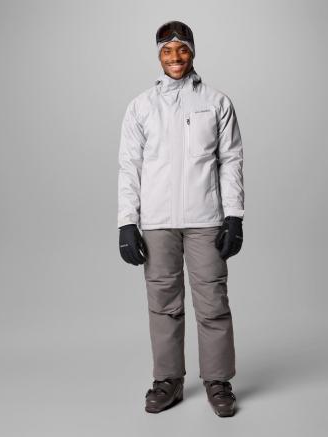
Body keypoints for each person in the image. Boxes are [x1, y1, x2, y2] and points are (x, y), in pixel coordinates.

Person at [117, 20, 244, 417]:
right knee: (163, 303)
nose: (175, 57)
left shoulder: (217, 102)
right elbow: (129, 166)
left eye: (182, 49)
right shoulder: (141, 106)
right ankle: (168, 380)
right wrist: (127, 221)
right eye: (167, 51)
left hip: (205, 218)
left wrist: (234, 215)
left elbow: (231, 161)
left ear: (193, 51)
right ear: (159, 55)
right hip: (157, 222)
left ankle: (218, 381)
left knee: (213, 301)